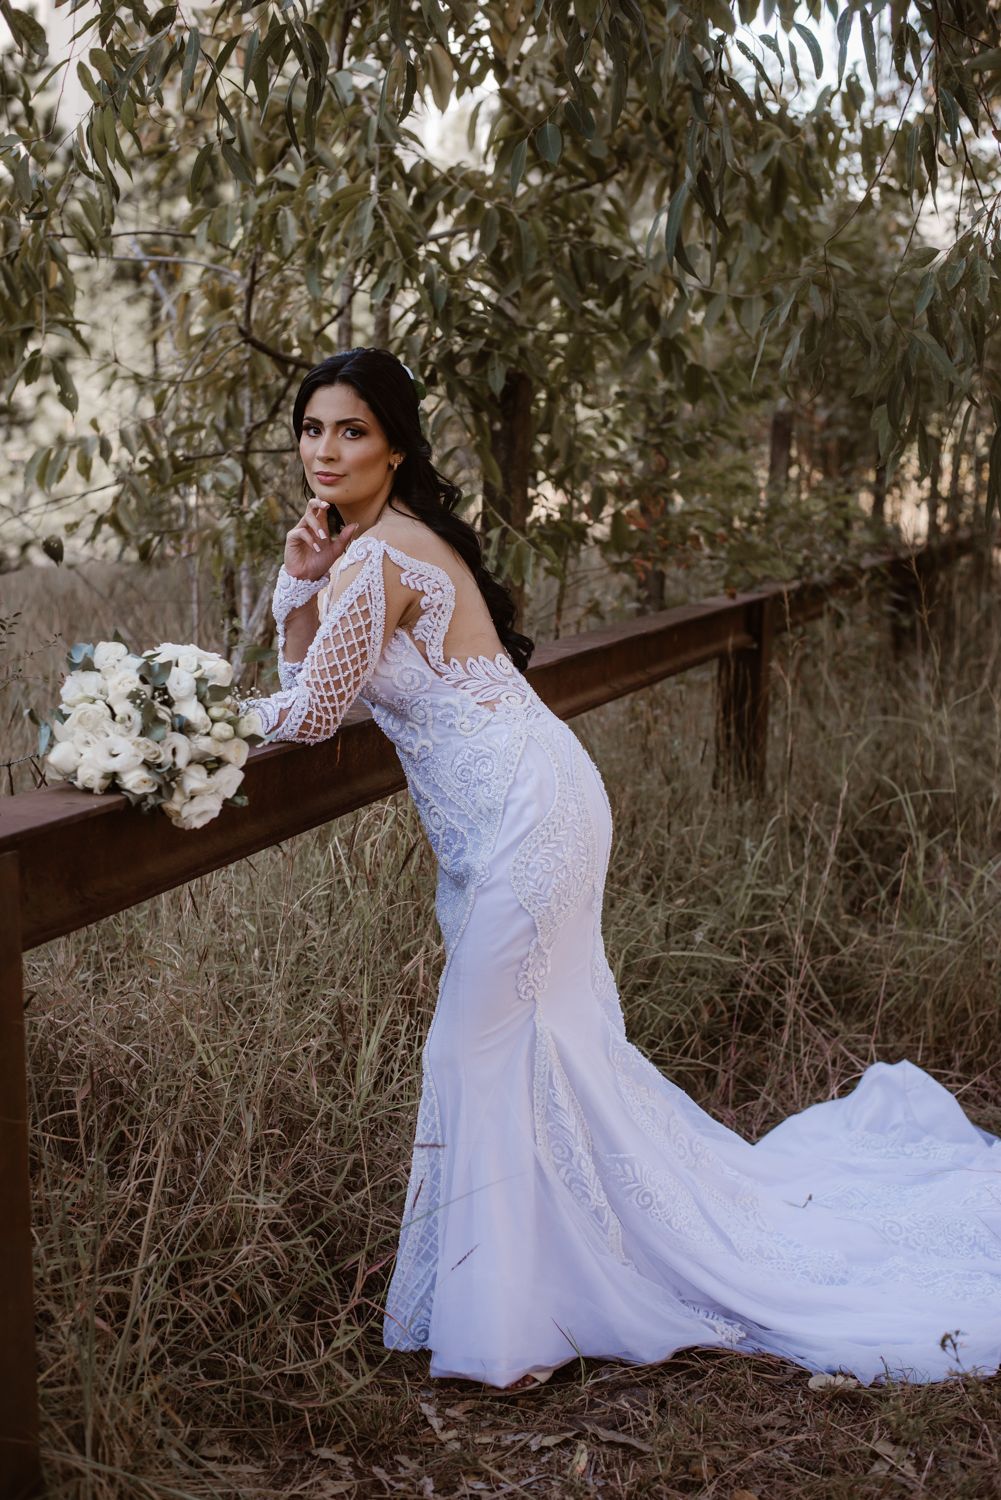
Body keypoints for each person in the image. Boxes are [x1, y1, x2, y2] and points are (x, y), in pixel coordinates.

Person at [239, 347, 1001, 1393]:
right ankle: (553, 1280)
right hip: (508, 813)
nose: (325, 450)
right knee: (540, 1047)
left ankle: (507, 1328)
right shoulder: (369, 553)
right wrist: (298, 583)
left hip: (527, 815)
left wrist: (173, 726)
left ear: (396, 447)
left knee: (470, 1048)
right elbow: (320, 683)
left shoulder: (383, 556)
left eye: (352, 431)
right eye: (311, 429)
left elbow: (309, 712)